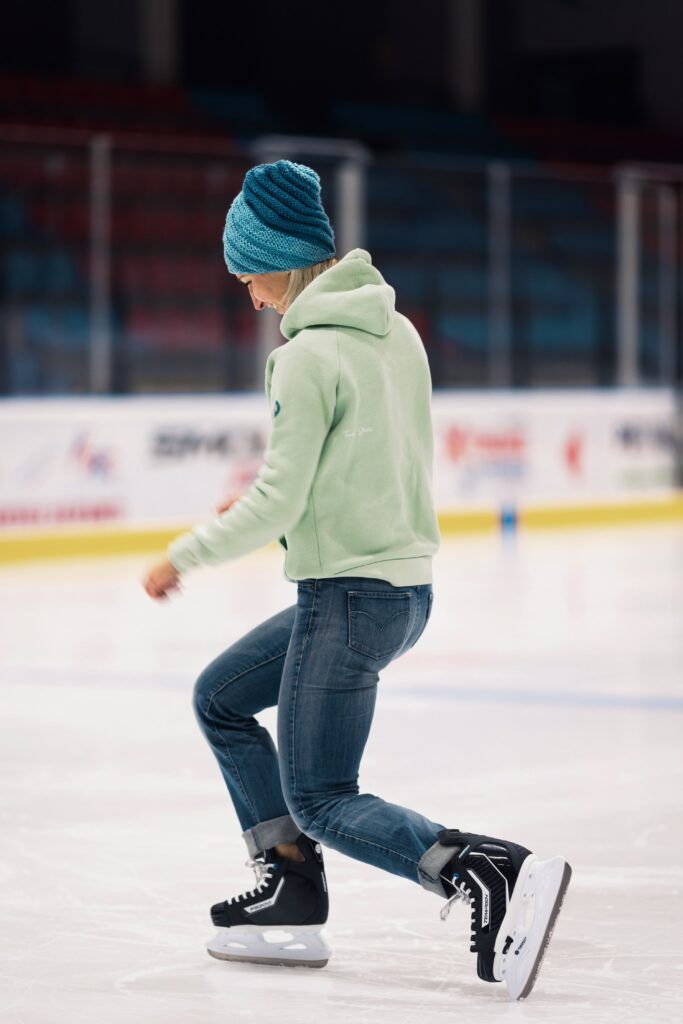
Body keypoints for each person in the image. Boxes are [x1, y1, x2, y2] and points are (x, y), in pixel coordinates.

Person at [142, 159, 571, 999]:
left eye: (248, 276)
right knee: (220, 697)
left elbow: (278, 502)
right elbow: (375, 459)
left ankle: (486, 870)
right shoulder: (396, 330)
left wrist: (182, 555)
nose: (250, 298)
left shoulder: (303, 357)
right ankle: (291, 883)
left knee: (324, 796)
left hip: (345, 597)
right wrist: (286, 501)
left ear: (279, 260)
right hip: (402, 592)